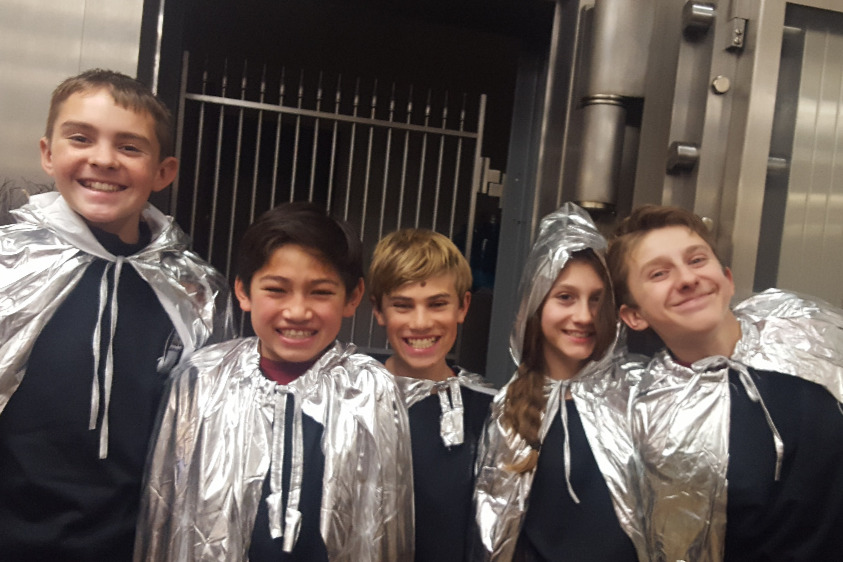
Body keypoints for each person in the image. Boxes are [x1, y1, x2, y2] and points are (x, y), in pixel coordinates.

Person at [0, 69, 233, 561]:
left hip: (135, 546)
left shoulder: (195, 292)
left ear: (163, 172)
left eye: (129, 147)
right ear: (47, 153)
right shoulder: (7, 267)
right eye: (81, 138)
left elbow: (206, 439)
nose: (104, 159)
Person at [135, 202, 414, 561]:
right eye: (276, 289)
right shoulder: (201, 380)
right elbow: (166, 510)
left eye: (321, 292)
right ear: (243, 292)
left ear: (353, 297)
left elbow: (384, 522)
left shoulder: (371, 390)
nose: (297, 311)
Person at [607, 204, 843, 560]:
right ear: (634, 316)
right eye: (659, 273)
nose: (687, 279)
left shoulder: (806, 327)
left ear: (728, 279)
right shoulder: (650, 418)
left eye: (697, 260)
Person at [472, 203, 646, 561]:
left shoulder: (638, 394)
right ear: (536, 306)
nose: (584, 316)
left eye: (597, 300)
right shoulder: (508, 408)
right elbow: (495, 534)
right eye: (565, 297)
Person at [369, 228, 495, 562]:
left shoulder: (490, 411)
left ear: (463, 306)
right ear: (378, 310)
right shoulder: (351, 399)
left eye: (437, 304)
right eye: (402, 305)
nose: (421, 322)